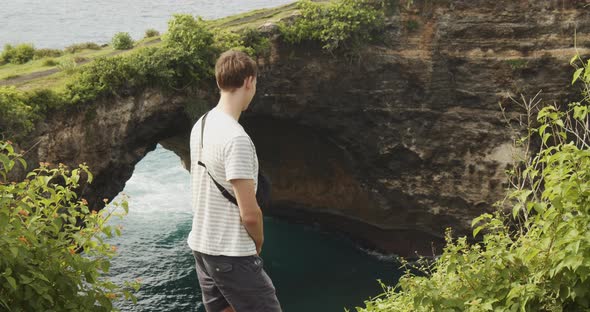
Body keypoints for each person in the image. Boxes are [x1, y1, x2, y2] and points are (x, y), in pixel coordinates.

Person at [187, 50, 281, 312]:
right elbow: (249, 213)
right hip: (231, 252)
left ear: (220, 82)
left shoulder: (202, 124)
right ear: (249, 82)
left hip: (203, 248)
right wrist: (257, 243)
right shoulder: (236, 138)